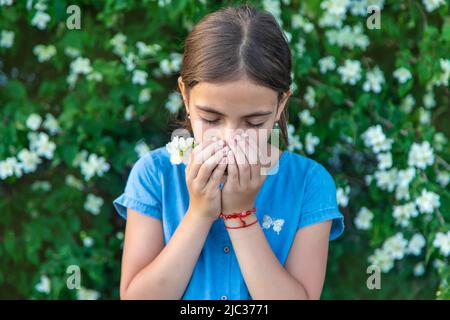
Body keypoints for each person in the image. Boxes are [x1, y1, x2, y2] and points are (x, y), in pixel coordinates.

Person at [113, 4, 344, 300]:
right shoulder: (155, 174)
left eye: (253, 122)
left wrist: (241, 215)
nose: (230, 138)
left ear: (280, 104)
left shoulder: (309, 183)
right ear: (185, 95)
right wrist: (198, 214)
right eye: (211, 119)